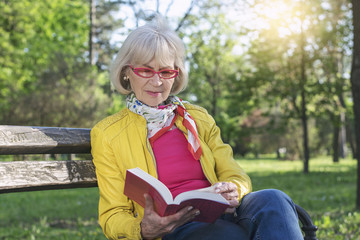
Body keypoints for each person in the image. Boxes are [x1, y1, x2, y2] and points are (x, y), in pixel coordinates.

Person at [91, 15, 303, 240]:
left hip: (223, 212)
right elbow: (113, 214)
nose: (157, 81)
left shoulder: (198, 118)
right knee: (227, 234)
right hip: (176, 229)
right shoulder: (108, 134)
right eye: (145, 71)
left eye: (165, 72)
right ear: (126, 72)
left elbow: (234, 173)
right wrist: (144, 228)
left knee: (274, 199)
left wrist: (234, 188)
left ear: (176, 74)